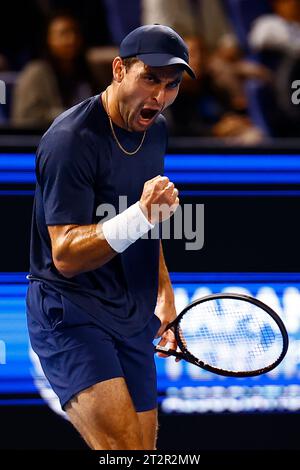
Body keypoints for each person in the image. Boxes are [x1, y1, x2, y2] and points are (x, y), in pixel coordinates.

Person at [26, 24, 195, 450]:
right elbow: (64, 253)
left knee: (145, 453)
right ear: (119, 70)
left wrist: (164, 292)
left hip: (131, 313)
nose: (159, 96)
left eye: (171, 85)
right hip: (72, 312)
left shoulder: (155, 131)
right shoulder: (70, 141)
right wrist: (140, 214)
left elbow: (148, 226)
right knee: (122, 452)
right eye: (150, 78)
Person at [12, 12, 93, 129]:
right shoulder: (35, 72)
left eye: (75, 32)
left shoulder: (85, 71)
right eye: (63, 34)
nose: (71, 39)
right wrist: (74, 115)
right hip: (39, 140)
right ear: (49, 39)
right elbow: (25, 118)